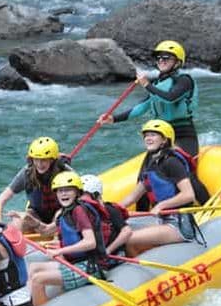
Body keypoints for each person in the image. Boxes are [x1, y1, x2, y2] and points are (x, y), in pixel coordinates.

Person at [98, 40, 200, 156]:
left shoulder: (184, 80)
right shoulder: (157, 84)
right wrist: (113, 119)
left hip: (182, 131)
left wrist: (147, 85)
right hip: (162, 133)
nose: (161, 60)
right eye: (159, 58)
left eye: (166, 57)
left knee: (187, 165)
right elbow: (141, 107)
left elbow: (170, 98)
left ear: (177, 62)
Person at [121, 120, 208, 257]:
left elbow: (188, 195)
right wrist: (111, 210)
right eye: (146, 135)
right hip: (161, 220)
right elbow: (133, 196)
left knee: (128, 238)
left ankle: (135, 268)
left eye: (153, 135)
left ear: (164, 140)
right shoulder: (152, 163)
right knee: (118, 228)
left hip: (178, 225)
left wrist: (162, 205)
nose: (148, 138)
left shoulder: (172, 162)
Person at [29, 171, 108, 306]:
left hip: (90, 266)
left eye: (68, 190)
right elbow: (47, 230)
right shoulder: (64, 212)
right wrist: (30, 221)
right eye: (60, 191)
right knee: (34, 267)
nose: (63, 194)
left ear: (77, 192)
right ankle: (30, 303)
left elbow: (90, 242)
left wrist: (60, 251)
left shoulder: (79, 211)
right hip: (75, 262)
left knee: (38, 279)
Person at [0, 136, 71, 233]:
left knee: (61, 217)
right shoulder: (26, 173)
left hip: (60, 211)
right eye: (36, 159)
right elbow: (1, 199)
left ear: (52, 160)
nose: (39, 164)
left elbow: (80, 198)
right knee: (20, 222)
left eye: (44, 160)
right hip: (37, 213)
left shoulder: (65, 172)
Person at [80, 174, 132, 265]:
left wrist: (108, 250)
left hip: (113, 254)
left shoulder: (109, 209)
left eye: (83, 195)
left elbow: (127, 231)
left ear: (95, 194)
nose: (80, 199)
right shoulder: (78, 213)